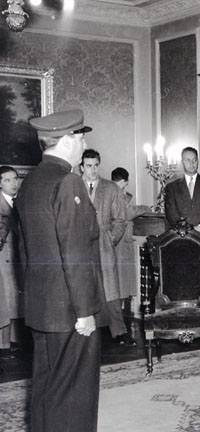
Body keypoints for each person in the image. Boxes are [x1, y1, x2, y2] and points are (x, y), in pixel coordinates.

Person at [17, 109, 106, 432]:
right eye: (81, 138)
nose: (85, 145)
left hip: (42, 306)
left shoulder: (31, 182)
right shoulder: (69, 182)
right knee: (74, 397)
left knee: (48, 389)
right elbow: (76, 252)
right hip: (70, 309)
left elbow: (25, 250)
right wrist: (85, 312)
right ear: (67, 140)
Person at [80, 150, 132, 345]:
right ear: (81, 167)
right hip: (80, 242)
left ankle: (119, 331)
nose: (93, 170)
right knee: (83, 284)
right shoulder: (74, 186)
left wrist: (112, 238)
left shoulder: (110, 188)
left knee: (110, 286)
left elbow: (120, 220)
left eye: (96, 165)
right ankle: (85, 330)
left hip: (104, 241)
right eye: (88, 166)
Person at [111, 167, 151, 315]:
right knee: (120, 284)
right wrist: (146, 208)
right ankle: (119, 317)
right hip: (119, 244)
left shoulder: (113, 192)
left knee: (122, 284)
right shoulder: (115, 195)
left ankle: (121, 315)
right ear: (124, 181)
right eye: (125, 184)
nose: (125, 188)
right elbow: (126, 213)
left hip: (122, 244)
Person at [164, 146, 200, 235]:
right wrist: (184, 230)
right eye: (188, 160)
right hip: (180, 236)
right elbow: (171, 214)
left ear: (198, 161)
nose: (192, 163)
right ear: (182, 162)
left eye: (194, 160)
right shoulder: (171, 187)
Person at [0, 166, 23, 359]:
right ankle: (3, 345)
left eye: (15, 179)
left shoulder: (21, 202)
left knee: (15, 300)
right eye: (7, 180)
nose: (13, 183)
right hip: (3, 259)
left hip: (17, 258)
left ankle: (13, 341)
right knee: (5, 302)